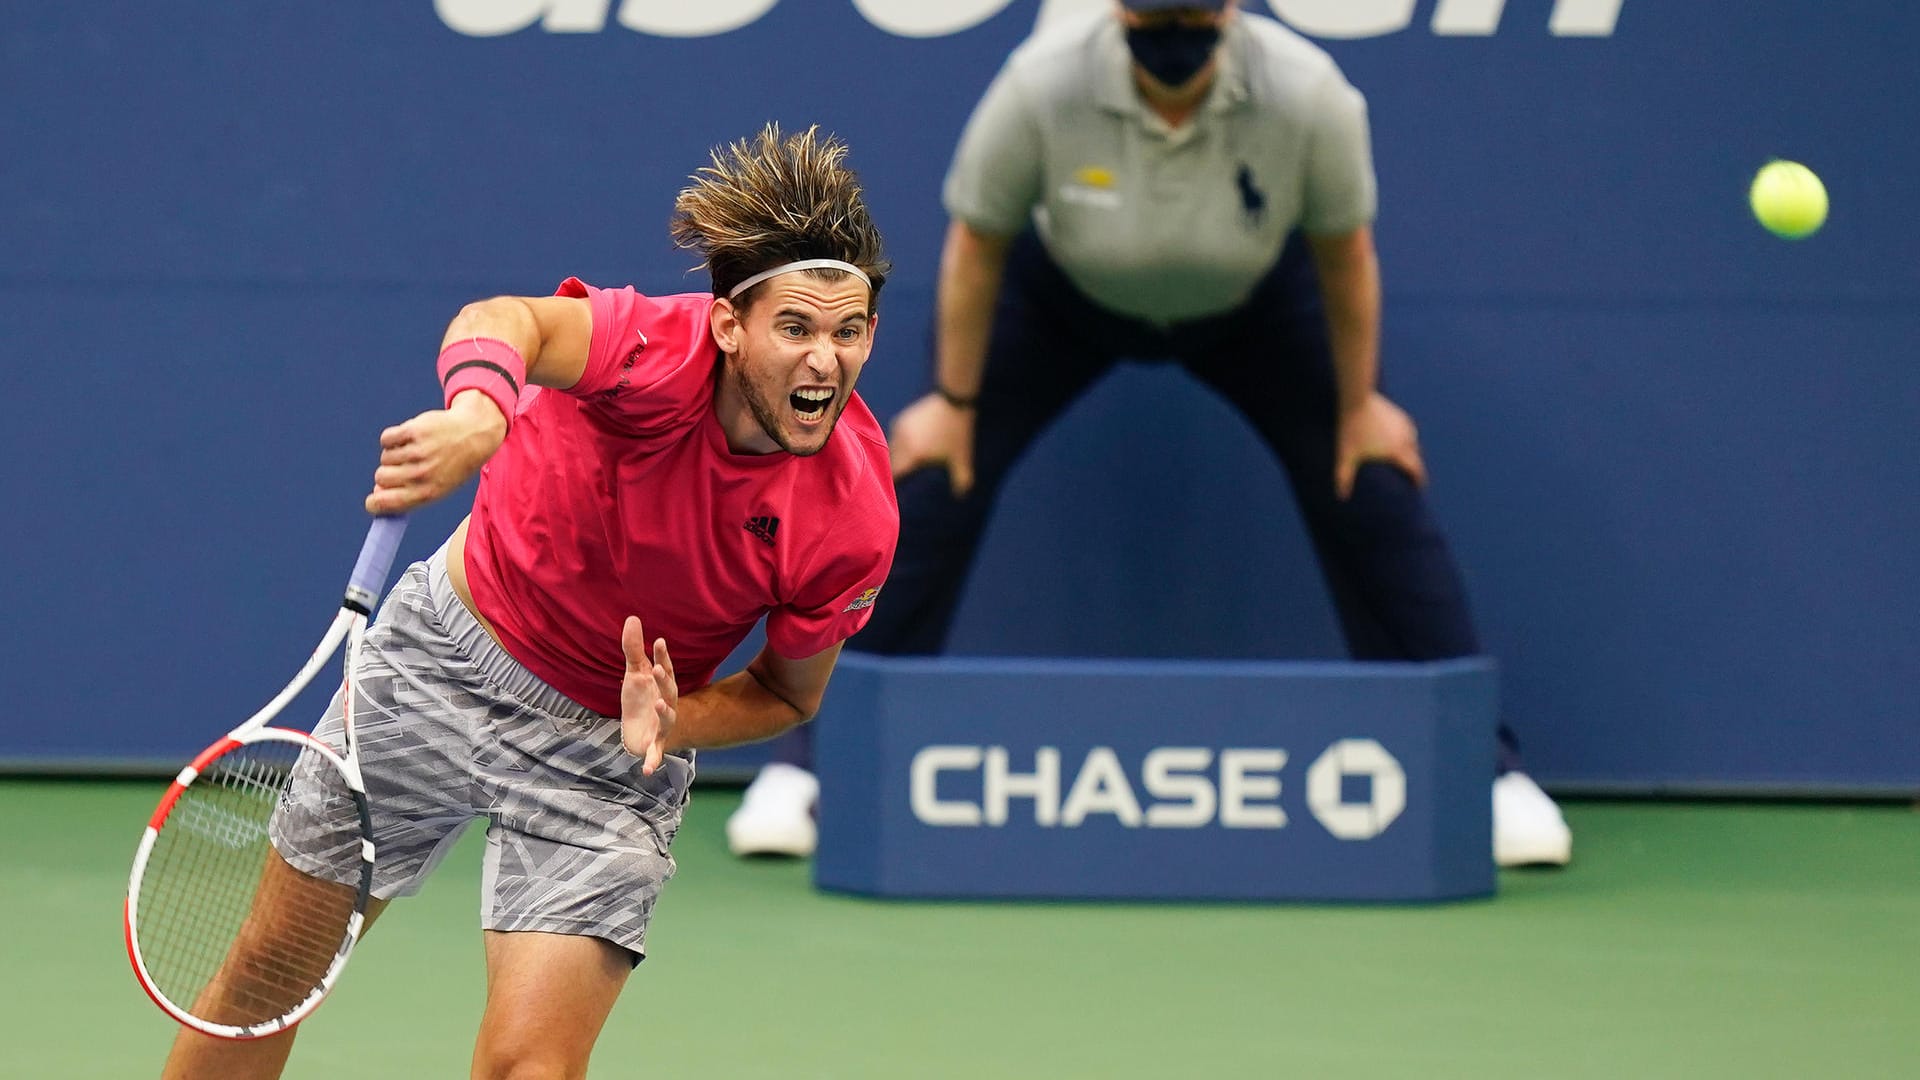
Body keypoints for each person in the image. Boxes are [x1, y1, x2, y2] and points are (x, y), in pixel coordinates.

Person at [726, 0, 1572, 869]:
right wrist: (953, 398)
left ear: (1230, 9)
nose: (1175, 31)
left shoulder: (1310, 94)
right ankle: (809, 763)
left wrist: (1359, 408)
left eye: (1194, 12)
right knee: (931, 478)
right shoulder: (1043, 84)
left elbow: (1344, 254)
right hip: (1061, 297)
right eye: (1154, 12)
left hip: (1258, 305)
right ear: (1120, 11)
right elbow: (979, 244)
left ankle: (1484, 773)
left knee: (1374, 477)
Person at [160, 124, 898, 1079]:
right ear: (728, 325)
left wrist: (675, 720)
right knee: (270, 980)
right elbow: (507, 320)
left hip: (602, 751)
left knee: (531, 1070)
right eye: (795, 328)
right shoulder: (658, 349)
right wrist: (479, 417)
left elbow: (789, 695)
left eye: (849, 332)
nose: (825, 362)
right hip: (443, 660)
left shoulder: (852, 516)